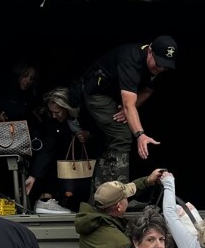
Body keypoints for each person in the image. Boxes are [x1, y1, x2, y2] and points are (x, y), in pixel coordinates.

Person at [75, 36, 177, 188]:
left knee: (117, 138)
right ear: (150, 51)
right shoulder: (130, 59)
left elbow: (147, 91)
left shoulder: (156, 66)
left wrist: (128, 108)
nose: (160, 69)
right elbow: (129, 105)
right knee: (122, 135)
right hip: (97, 94)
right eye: (158, 65)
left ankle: (103, 194)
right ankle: (119, 195)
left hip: (117, 97)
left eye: (165, 66)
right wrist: (140, 134)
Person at [26, 87, 92, 213]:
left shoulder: (86, 112)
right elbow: (48, 148)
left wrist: (89, 135)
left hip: (89, 157)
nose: (53, 116)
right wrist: (33, 176)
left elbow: (100, 131)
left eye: (57, 112)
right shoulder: (55, 123)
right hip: (69, 161)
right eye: (51, 113)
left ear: (66, 107)